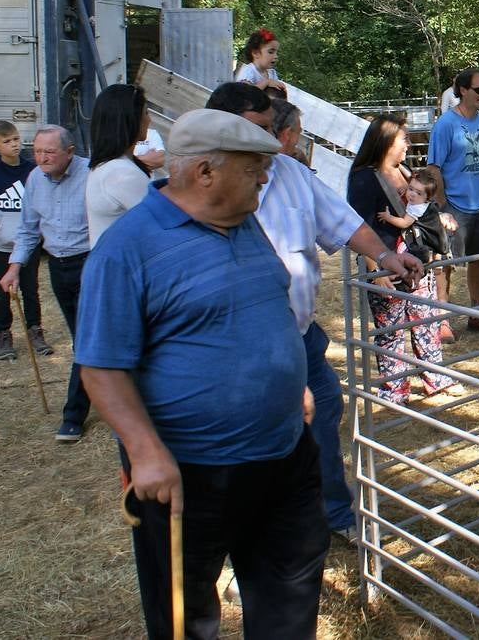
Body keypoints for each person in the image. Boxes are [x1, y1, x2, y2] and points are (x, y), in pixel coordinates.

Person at [76, 108, 329, 639]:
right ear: (204, 173)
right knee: (186, 617)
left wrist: (292, 382)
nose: (265, 176)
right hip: (188, 473)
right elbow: (99, 367)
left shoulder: (245, 223)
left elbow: (268, 305)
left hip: (284, 456)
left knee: (290, 597)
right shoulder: (127, 249)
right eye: (253, 166)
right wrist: (145, 453)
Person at [208, 82, 423, 538]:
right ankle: (255, 529)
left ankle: (334, 513)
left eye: (273, 129)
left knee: (324, 408)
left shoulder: (291, 175)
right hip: (238, 349)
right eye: (261, 129)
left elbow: (344, 223)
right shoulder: (204, 191)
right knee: (258, 436)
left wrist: (386, 257)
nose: (275, 140)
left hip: (300, 338)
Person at [348, 130, 463, 404]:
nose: (409, 144)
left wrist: (441, 218)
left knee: (425, 323)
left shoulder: (406, 171)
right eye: (404, 139)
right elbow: (359, 227)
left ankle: (435, 379)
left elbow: (426, 209)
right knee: (390, 332)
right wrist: (375, 271)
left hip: (417, 263)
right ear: (386, 142)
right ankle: (394, 389)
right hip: (386, 268)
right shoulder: (364, 179)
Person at [0, 124, 91, 442]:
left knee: (85, 342)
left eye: (49, 152)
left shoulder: (92, 174)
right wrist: (14, 268)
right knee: (85, 339)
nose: (41, 158)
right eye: (36, 151)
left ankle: (73, 416)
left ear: (69, 151)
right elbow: (28, 229)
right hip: (58, 267)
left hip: (91, 265)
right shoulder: (35, 178)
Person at [427, 67, 479, 331]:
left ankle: (476, 310)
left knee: (478, 258)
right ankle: (442, 320)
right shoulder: (445, 125)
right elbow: (434, 168)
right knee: (445, 262)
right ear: (463, 91)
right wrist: (443, 206)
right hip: (454, 206)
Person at [0, 120, 44, 362]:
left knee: (31, 289)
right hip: (1, 245)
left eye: (16, 139)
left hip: (29, 245)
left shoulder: (32, 170)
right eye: (7, 141)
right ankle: (3, 335)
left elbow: (40, 201)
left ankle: (35, 331)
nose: (14, 145)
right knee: (2, 291)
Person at [86, 84, 153, 246]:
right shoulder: (121, 173)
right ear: (130, 118)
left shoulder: (109, 166)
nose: (149, 120)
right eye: (146, 113)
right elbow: (161, 220)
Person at [235, 27, 287, 96]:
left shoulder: (272, 73)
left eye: (277, 53)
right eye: (271, 52)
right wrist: (266, 83)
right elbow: (245, 93)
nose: (276, 56)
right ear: (255, 53)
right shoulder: (249, 71)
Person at [271, 98, 308, 164]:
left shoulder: (252, 159)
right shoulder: (294, 169)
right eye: (298, 132)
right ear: (287, 134)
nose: (297, 141)